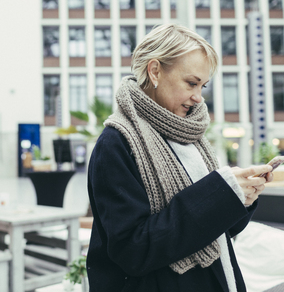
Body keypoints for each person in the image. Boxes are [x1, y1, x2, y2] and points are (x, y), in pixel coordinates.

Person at [86, 24, 274, 292]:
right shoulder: (116, 143)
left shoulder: (190, 134)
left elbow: (213, 232)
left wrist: (240, 198)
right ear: (155, 71)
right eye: (191, 83)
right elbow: (133, 250)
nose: (198, 97)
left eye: (203, 85)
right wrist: (219, 195)